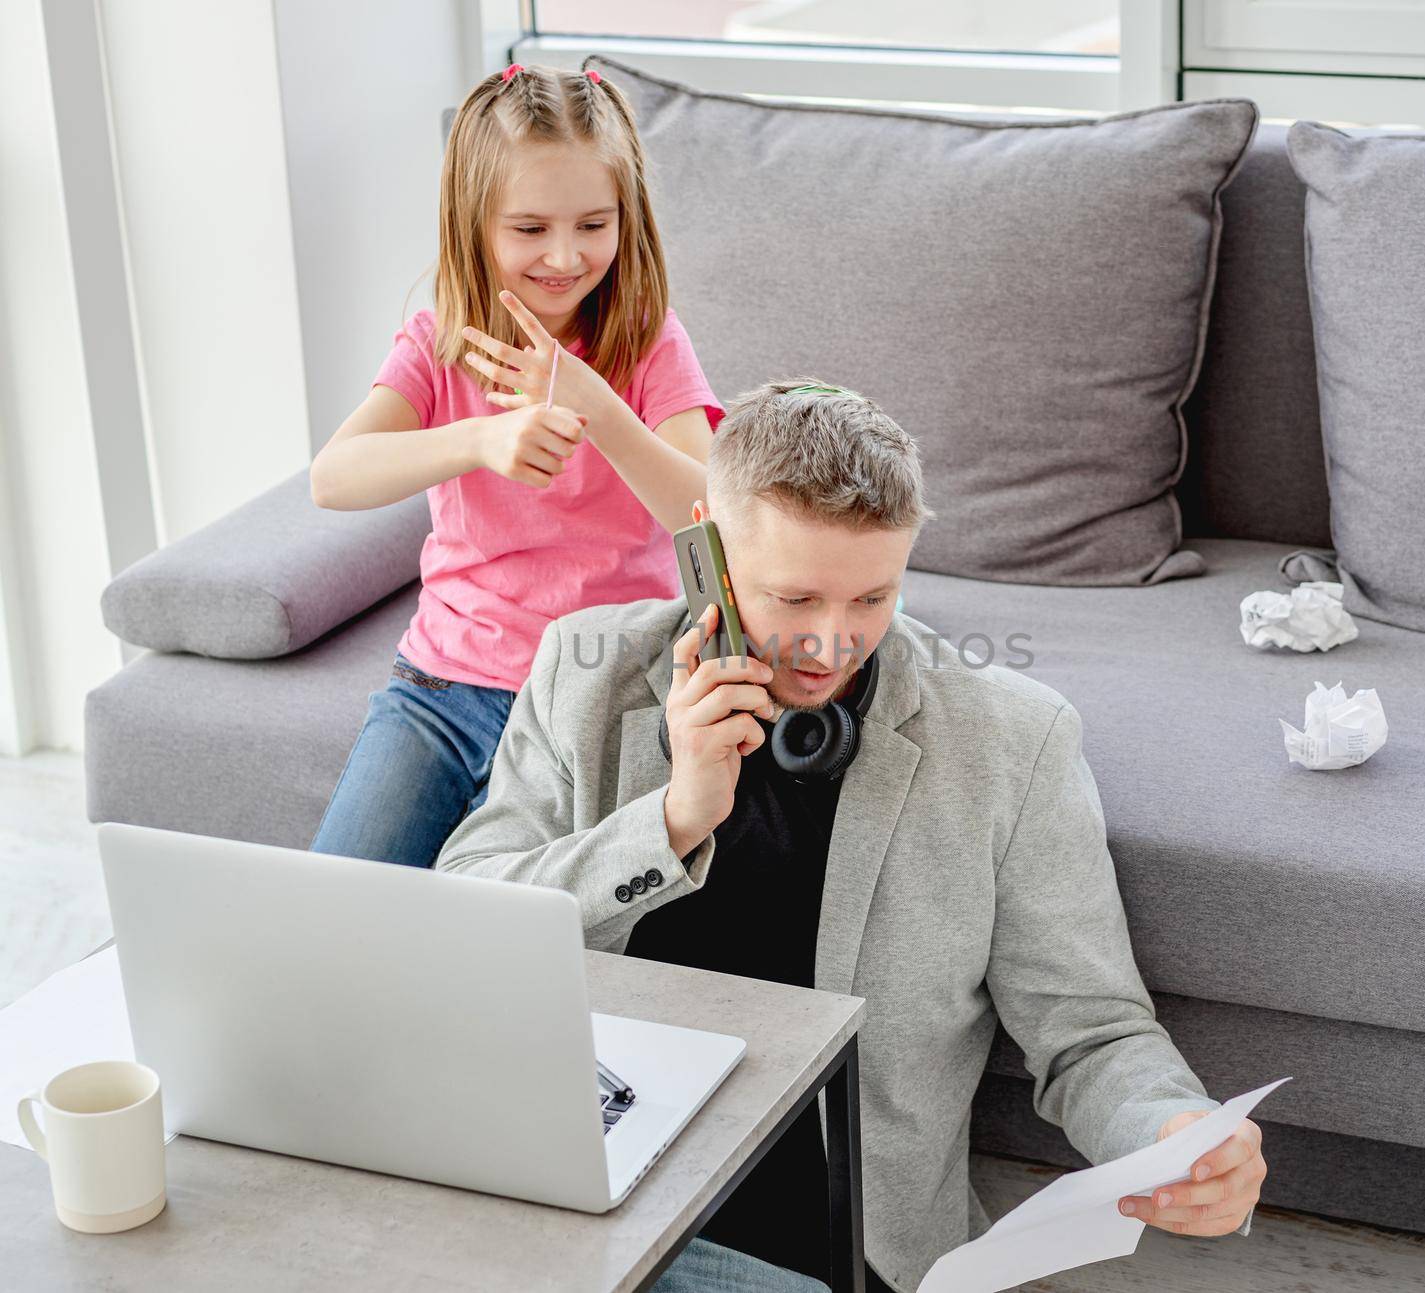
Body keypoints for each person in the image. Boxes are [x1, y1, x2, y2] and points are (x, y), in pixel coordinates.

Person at [436, 381, 1266, 1292]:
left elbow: (1090, 1030)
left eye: (873, 597)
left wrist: (1170, 1131)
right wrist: (671, 821)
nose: (832, 645)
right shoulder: (583, 675)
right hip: (593, 1202)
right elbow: (464, 933)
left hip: (828, 1250)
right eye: (794, 598)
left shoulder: (1012, 741)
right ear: (707, 545)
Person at [306, 63, 724, 868]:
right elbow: (335, 475)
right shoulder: (440, 343)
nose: (564, 256)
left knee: (558, 925)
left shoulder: (649, 340)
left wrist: (597, 405)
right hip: (443, 690)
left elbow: (710, 516)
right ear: (476, 223)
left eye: (593, 225)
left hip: (605, 691)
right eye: (529, 229)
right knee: (341, 906)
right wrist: (476, 441)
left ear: (625, 220)